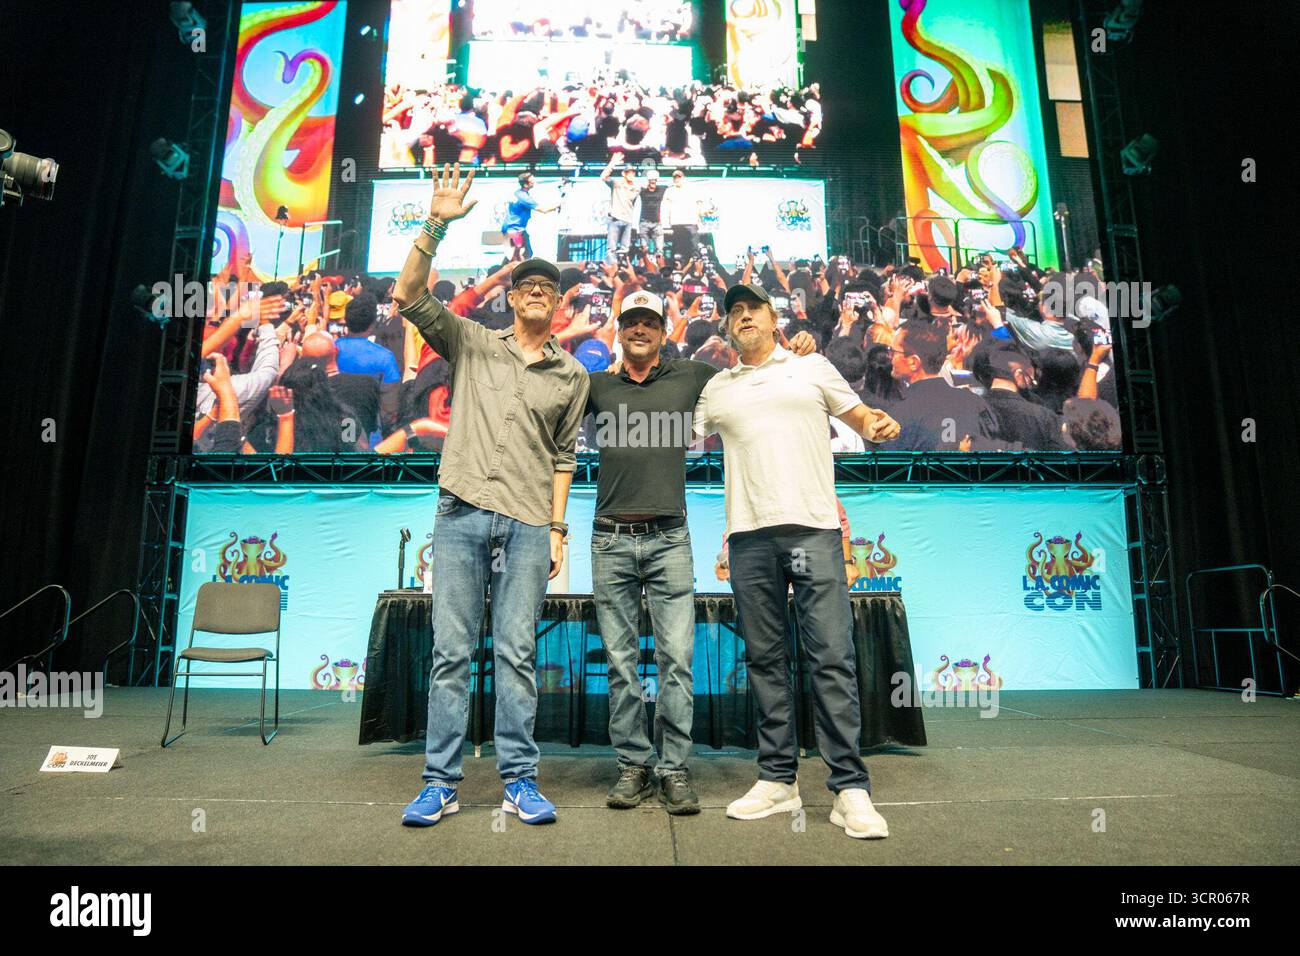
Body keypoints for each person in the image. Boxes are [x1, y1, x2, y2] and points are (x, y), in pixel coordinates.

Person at [392, 164, 590, 828]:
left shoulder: (571, 375)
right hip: (461, 513)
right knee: (450, 652)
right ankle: (440, 782)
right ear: (511, 299)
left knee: (517, 651)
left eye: (547, 287)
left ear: (558, 304)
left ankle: (519, 780)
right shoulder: (471, 342)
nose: (536, 292)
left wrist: (560, 529)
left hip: (532, 525)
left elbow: (564, 456)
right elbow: (409, 295)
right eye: (525, 285)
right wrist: (435, 224)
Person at [586, 290, 819, 816]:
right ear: (618, 331)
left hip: (670, 538)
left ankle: (671, 769)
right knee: (621, 663)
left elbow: (754, 369)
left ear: (663, 332)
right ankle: (632, 765)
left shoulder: (695, 378)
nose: (639, 330)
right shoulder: (595, 385)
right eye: (631, 323)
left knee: (677, 662)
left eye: (649, 322)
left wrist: (797, 345)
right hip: (609, 539)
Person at [692, 282, 900, 840]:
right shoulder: (716, 389)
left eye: (752, 309)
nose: (743, 318)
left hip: (813, 530)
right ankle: (778, 779)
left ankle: (849, 789)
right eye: (733, 313)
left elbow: (861, 418)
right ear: (728, 329)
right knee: (765, 660)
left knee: (830, 656)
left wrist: (877, 423)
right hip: (749, 538)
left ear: (772, 316)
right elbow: (678, 441)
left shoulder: (813, 368)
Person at [887, 320, 998, 451]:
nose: (889, 357)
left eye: (892, 351)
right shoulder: (975, 402)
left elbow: (892, 467)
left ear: (913, 362)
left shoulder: (900, 414)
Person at [501, 171, 558, 259]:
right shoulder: (523, 197)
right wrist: (558, 205)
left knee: (522, 254)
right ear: (525, 184)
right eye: (532, 181)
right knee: (520, 256)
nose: (534, 182)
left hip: (514, 230)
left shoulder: (518, 193)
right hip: (515, 231)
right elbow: (543, 210)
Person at [600, 160, 640, 262]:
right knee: (611, 248)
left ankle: (623, 271)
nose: (631, 174)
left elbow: (632, 204)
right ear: (624, 174)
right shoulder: (616, 183)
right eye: (629, 172)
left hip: (628, 220)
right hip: (615, 219)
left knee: (625, 248)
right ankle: (611, 270)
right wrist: (612, 163)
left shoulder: (636, 188)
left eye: (633, 172)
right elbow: (603, 177)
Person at [660, 168, 701, 259]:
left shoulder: (692, 189)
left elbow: (699, 204)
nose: (677, 179)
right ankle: (678, 269)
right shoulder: (669, 190)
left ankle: (695, 269)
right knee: (678, 249)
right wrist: (665, 224)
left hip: (691, 223)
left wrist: (699, 221)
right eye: (675, 177)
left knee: (694, 248)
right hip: (676, 223)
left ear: (683, 178)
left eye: (679, 177)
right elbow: (665, 208)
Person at [637, 168, 666, 255]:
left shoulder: (662, 189)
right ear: (648, 181)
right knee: (644, 249)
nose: (653, 182)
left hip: (657, 223)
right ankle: (646, 266)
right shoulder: (642, 190)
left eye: (654, 180)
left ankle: (658, 266)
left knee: (659, 249)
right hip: (644, 222)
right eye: (651, 180)